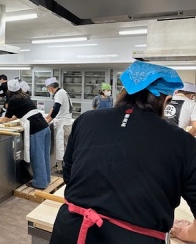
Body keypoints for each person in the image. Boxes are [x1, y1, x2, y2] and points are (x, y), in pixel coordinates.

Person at [50, 60, 196, 244]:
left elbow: (70, 175)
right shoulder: (182, 141)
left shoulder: (86, 120)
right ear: (166, 100)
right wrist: (189, 233)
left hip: (71, 230)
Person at [0, 79, 51, 189]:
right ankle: (46, 179)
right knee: (44, 155)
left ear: (9, 90)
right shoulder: (24, 96)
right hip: (44, 127)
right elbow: (19, 114)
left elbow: (7, 117)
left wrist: (0, 120)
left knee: (37, 156)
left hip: (36, 129)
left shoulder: (13, 100)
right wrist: (9, 119)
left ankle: (39, 183)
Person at [44, 77, 73, 174]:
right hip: (67, 121)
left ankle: (61, 168)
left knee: (60, 145)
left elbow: (56, 109)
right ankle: (66, 166)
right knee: (65, 145)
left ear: (51, 87)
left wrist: (48, 121)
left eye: (48, 88)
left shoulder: (59, 93)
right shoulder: (61, 92)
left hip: (63, 123)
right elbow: (54, 107)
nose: (48, 90)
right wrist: (47, 117)